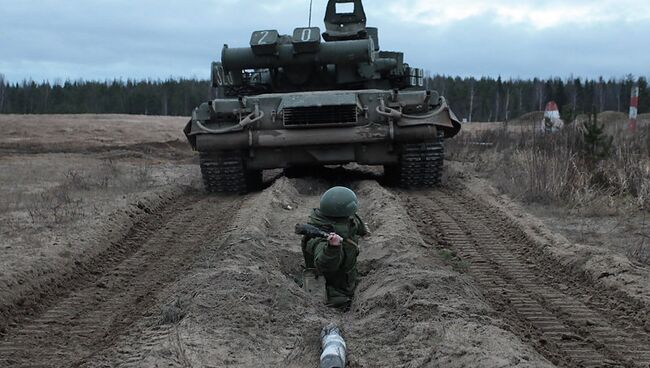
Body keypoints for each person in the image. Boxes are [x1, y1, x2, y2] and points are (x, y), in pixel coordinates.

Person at [301, 186, 369, 309]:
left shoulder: (346, 221)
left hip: (346, 277)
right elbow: (324, 265)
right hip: (332, 289)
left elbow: (355, 223)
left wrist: (363, 231)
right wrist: (333, 248)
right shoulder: (318, 238)